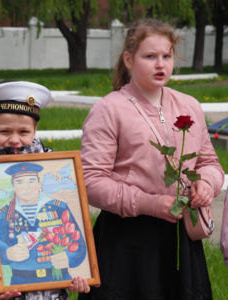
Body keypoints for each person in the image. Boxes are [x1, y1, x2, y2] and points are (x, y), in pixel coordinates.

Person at [79, 19, 224, 300]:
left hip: (182, 237)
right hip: (127, 242)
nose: (161, 65)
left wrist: (207, 184)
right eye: (150, 56)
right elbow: (90, 181)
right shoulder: (109, 109)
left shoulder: (189, 105)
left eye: (166, 56)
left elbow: (210, 163)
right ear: (129, 59)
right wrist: (148, 203)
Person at [0, 81, 90, 300]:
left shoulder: (57, 173)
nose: (15, 140)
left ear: (35, 131)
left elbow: (75, 239)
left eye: (23, 131)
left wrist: (74, 264)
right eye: (4, 131)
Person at [0, 162, 87, 285]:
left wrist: (68, 257)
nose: (25, 187)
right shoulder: (3, 214)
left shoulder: (58, 207)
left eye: (31, 181)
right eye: (19, 182)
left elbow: (79, 244)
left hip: (59, 279)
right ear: (13, 186)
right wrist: (7, 253)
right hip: (21, 282)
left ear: (39, 184)